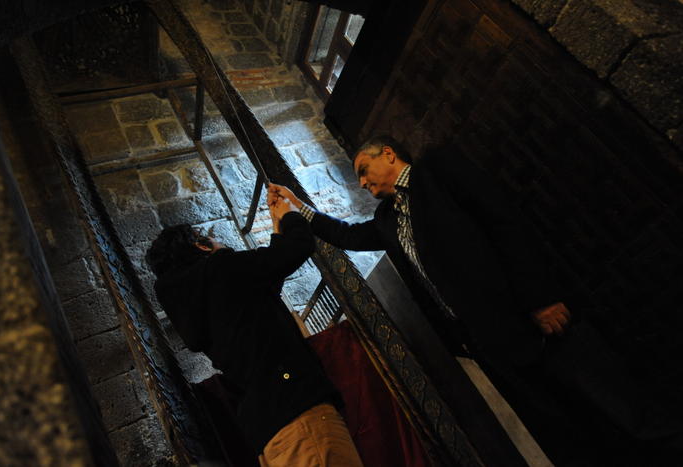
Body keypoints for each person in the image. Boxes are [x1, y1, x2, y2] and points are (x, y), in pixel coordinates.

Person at [268, 134, 682, 464]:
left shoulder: (438, 172)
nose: (362, 181)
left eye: (363, 170)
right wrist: (297, 208)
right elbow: (346, 236)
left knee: (622, 403)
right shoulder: (386, 219)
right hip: (492, 344)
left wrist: (540, 298)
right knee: (571, 428)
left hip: (532, 317)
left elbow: (505, 225)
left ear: (388, 155)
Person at [145, 194, 364, 467]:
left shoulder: (200, 299)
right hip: (297, 412)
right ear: (201, 245)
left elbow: (265, 287)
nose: (220, 243)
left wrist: (277, 226)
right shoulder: (220, 268)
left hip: (269, 430)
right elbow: (298, 247)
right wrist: (291, 212)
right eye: (212, 239)